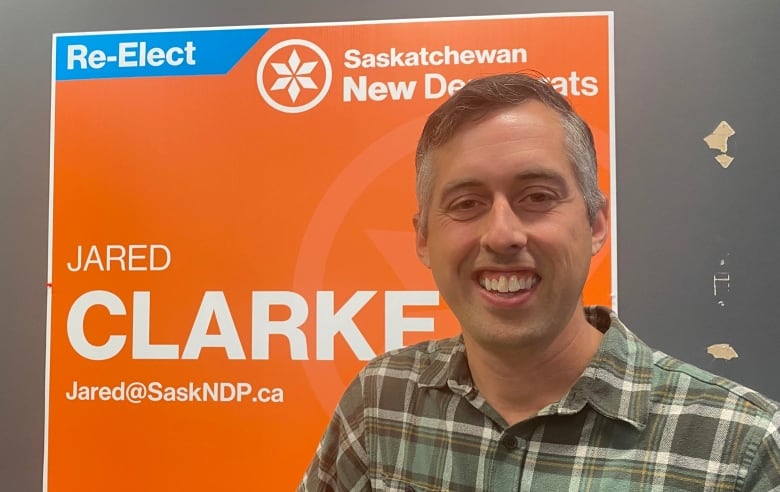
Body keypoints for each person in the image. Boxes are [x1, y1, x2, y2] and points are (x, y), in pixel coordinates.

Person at [298, 73, 780, 491]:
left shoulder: (743, 449)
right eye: (467, 203)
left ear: (596, 224)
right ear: (423, 239)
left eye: (536, 196)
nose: (503, 234)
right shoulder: (381, 403)